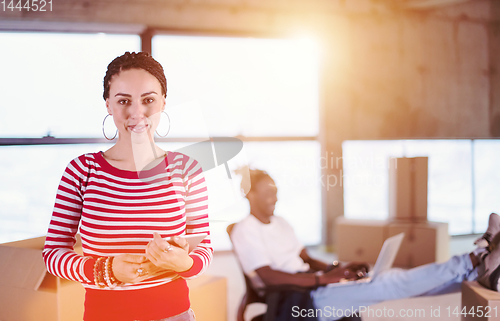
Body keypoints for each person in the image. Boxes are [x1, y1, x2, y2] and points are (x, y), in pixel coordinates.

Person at [42, 52, 212, 321]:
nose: (137, 112)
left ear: (163, 102)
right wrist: (106, 271)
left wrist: (186, 263)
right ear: (108, 104)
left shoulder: (187, 169)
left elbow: (204, 246)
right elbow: (52, 254)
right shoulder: (82, 171)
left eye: (148, 100)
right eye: (124, 101)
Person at [230, 168, 500, 321]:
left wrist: (340, 270)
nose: (274, 198)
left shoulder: (282, 223)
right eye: (267, 193)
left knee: (396, 280)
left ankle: (479, 271)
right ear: (249, 194)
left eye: (276, 191)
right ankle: (473, 260)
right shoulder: (245, 230)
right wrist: (323, 279)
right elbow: (268, 276)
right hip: (300, 296)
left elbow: (306, 257)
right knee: (390, 284)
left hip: (317, 283)